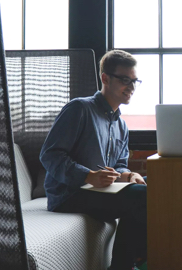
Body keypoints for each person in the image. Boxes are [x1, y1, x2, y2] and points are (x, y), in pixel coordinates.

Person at [40, 50, 147, 270]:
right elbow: (50, 155)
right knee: (144, 197)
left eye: (135, 81)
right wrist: (88, 176)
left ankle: (128, 264)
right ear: (105, 78)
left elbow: (118, 164)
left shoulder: (121, 125)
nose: (132, 87)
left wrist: (127, 174)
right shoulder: (79, 108)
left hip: (100, 192)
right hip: (69, 194)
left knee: (153, 188)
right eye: (125, 80)